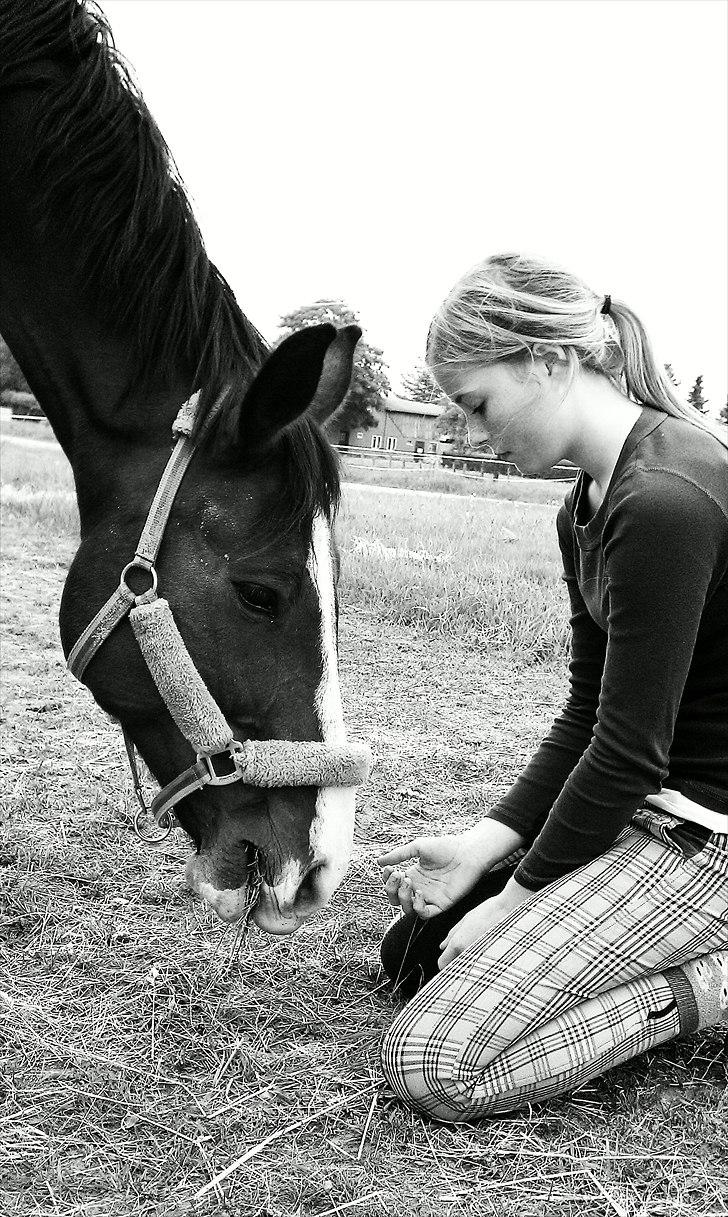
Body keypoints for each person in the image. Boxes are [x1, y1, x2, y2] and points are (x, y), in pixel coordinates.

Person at [376, 253, 728, 1122]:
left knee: (434, 1064)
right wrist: (484, 849)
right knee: (414, 953)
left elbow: (626, 748)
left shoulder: (666, 498)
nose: (471, 432)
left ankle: (710, 979)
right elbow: (586, 714)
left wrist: (518, 901)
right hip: (647, 813)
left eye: (477, 403)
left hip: (706, 839)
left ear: (548, 359)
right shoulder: (582, 507)